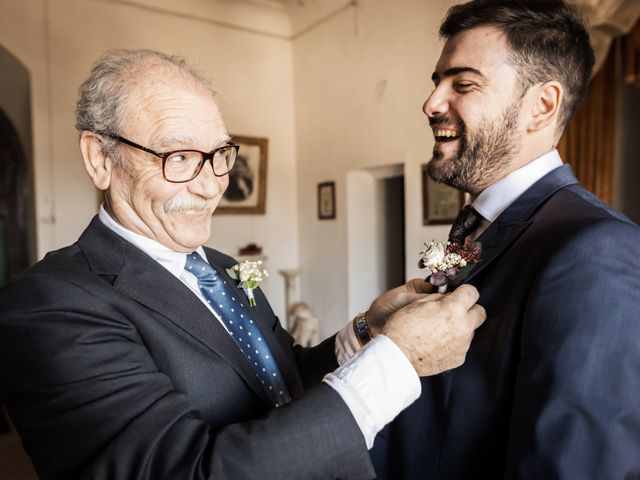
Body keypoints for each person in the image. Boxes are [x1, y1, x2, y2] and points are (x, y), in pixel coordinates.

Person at [0, 49, 486, 480]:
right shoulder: (48, 307)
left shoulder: (220, 265)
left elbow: (279, 376)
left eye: (218, 155)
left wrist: (366, 331)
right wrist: (395, 361)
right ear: (100, 159)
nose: (212, 186)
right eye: (179, 155)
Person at [370, 1, 640, 479]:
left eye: (463, 83)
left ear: (542, 105)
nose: (431, 103)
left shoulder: (594, 248)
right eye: (437, 82)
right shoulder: (480, 224)